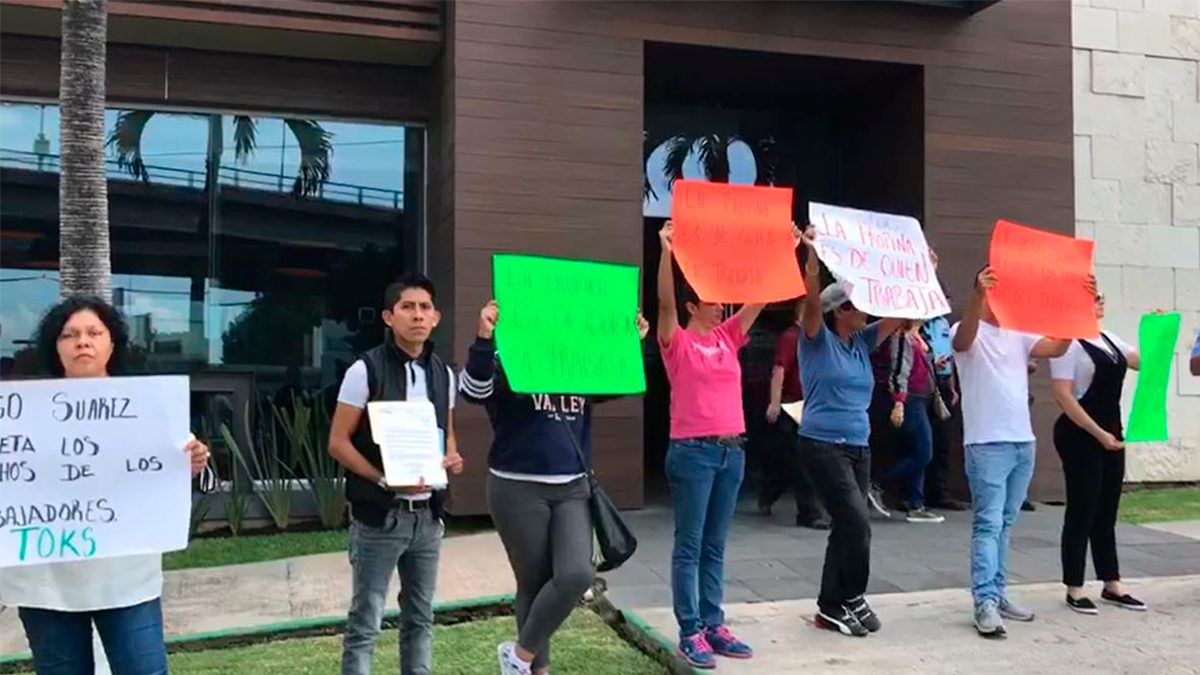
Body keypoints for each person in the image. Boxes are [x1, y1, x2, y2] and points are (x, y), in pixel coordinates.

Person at [0, 295, 211, 674]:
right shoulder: (18, 413)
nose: (83, 341)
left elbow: (187, 473)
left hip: (128, 580)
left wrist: (195, 462)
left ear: (112, 343)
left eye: (94, 332)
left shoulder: (146, 406)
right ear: (56, 346)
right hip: (46, 583)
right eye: (70, 334)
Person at [460, 300, 649, 675]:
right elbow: (473, 391)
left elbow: (618, 383)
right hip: (517, 486)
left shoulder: (575, 359)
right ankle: (536, 669)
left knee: (577, 574)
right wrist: (483, 338)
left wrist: (630, 342)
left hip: (573, 484)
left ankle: (518, 658)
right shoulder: (507, 355)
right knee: (532, 581)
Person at [655, 221, 799, 668]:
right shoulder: (675, 342)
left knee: (716, 544)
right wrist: (666, 251)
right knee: (690, 544)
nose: (721, 309)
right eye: (713, 303)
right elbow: (663, 302)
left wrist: (786, 250)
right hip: (692, 452)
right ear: (693, 306)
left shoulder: (727, 338)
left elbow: (759, 298)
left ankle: (714, 623)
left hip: (730, 450)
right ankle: (690, 629)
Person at [328, 274, 465, 675]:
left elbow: (449, 437)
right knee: (366, 622)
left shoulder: (444, 374)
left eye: (425, 308)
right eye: (408, 307)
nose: (417, 316)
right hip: (379, 517)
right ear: (389, 316)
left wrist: (452, 459)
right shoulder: (363, 370)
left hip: (428, 518)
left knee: (421, 620)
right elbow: (338, 442)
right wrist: (384, 479)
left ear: (436, 317)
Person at [951, 266, 1085, 639]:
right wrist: (977, 294)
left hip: (1021, 441)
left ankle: (999, 593)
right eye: (994, 290)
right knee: (988, 524)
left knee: (1005, 524)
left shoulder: (1018, 332)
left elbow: (1056, 346)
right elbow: (962, 342)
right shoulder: (965, 330)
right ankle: (984, 602)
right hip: (986, 443)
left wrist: (1079, 308)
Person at [794, 229, 903, 638]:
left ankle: (830, 607)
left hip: (859, 446)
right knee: (856, 521)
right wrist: (811, 258)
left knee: (849, 525)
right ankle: (851, 595)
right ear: (842, 310)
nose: (867, 314)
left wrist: (921, 274)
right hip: (822, 445)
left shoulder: (861, 342)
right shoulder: (817, 340)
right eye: (859, 308)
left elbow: (901, 316)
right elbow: (809, 304)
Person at [1050, 292, 1147, 614]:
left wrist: (1159, 331)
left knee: (1107, 510)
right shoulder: (1069, 345)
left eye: (1101, 296)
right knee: (1082, 509)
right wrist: (1097, 433)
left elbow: (1141, 362)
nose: (1101, 300)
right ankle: (1074, 587)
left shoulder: (1109, 338)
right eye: (1093, 298)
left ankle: (1112, 582)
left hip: (1111, 432)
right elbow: (1064, 396)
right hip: (1080, 434)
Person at [759, 300, 830, 529]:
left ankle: (776, 495)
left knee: (799, 460)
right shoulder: (792, 337)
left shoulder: (820, 339)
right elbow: (780, 369)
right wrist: (774, 402)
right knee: (798, 461)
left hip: (813, 406)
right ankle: (807, 512)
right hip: (793, 407)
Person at [869, 321, 949, 524]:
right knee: (923, 451)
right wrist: (899, 402)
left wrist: (934, 363)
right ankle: (877, 482)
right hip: (911, 398)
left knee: (917, 450)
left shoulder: (918, 337)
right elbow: (899, 371)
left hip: (923, 398)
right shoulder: (902, 338)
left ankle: (915, 502)